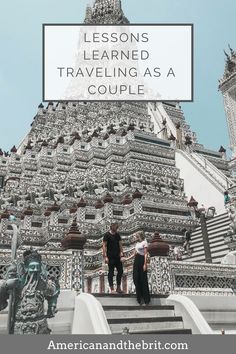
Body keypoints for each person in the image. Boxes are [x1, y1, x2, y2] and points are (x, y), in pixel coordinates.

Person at [128, 231, 150, 305]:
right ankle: (139, 297)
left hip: (142, 260)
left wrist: (145, 264)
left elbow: (145, 254)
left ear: (139, 236)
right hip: (136, 261)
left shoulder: (144, 242)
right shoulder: (137, 244)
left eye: (136, 236)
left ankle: (145, 299)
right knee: (136, 278)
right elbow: (134, 253)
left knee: (143, 279)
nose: (135, 237)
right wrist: (126, 259)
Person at [103, 223, 124, 294]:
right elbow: (104, 246)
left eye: (117, 227)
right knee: (111, 272)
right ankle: (112, 289)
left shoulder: (117, 235)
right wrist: (105, 256)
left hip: (117, 256)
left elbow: (120, 244)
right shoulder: (107, 235)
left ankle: (118, 287)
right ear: (111, 227)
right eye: (115, 227)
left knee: (120, 271)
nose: (116, 228)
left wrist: (121, 253)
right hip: (110, 256)